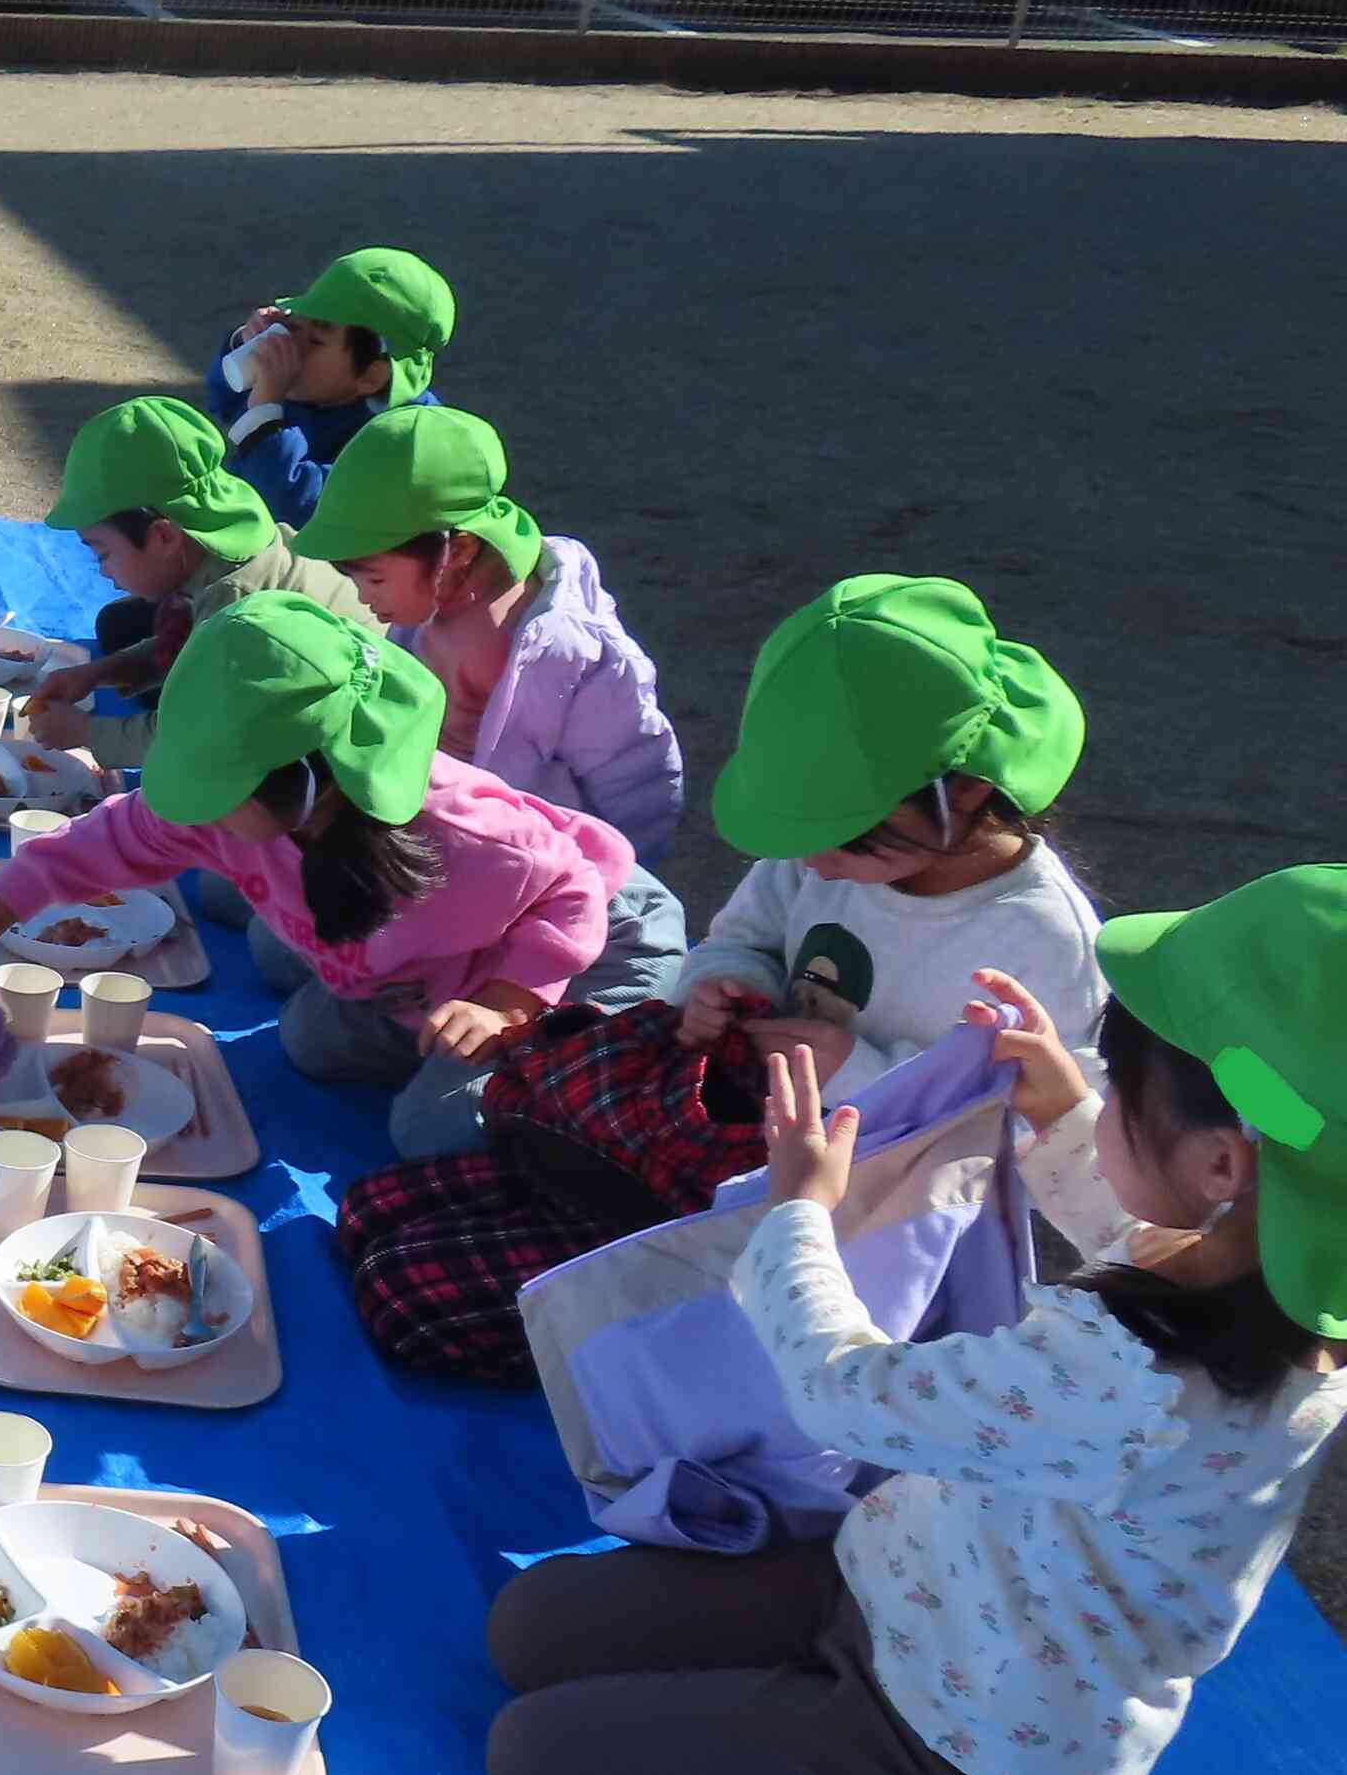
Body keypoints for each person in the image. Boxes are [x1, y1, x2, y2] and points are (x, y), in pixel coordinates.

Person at [484, 869, 1347, 1775]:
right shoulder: (1270, 1300)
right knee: (534, 1627)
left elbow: (840, 1389)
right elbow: (1145, 1234)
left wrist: (798, 1214)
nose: (1101, 1093)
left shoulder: (1125, 1376)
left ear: (1221, 1165)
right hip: (893, 1586)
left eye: (1117, 1087)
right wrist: (1066, 1114)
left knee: (537, 1765)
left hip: (961, 1767)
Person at [336, 574, 1103, 1381]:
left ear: (968, 793)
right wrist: (722, 983)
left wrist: (856, 1072)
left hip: (841, 1229)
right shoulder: (821, 850)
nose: (813, 861)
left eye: (846, 838)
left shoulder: (1040, 940)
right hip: (704, 1144)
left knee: (407, 1298)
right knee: (369, 1211)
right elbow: (742, 937)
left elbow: (1030, 1141)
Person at [0, 593, 682, 1158]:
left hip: (590, 948)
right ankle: (431, 1018)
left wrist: (504, 1007)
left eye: (212, 793)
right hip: (431, 956)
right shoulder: (252, 807)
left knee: (429, 1133)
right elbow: (85, 847)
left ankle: (594, 1077)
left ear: (304, 784)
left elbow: (573, 892)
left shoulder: (465, 842)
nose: (189, 811)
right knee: (309, 1037)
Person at [290, 404, 683, 866]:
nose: (362, 596)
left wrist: (623, 876)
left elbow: (634, 773)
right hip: (444, 827)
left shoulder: (567, 650)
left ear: (458, 550)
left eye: (374, 579)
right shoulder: (430, 601)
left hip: (531, 860)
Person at [12, 396, 375, 767]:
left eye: (102, 553)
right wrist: (99, 672)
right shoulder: (225, 548)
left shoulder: (242, 616)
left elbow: (193, 739)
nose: (102, 570)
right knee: (120, 625)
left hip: (344, 753)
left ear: (163, 536)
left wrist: (86, 732)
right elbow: (188, 640)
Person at [201, 247, 453, 531]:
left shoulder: (403, 441)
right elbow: (223, 398)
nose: (291, 345)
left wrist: (264, 420)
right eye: (294, 326)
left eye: (316, 341)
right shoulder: (312, 386)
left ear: (372, 376)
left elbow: (294, 508)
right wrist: (244, 343)